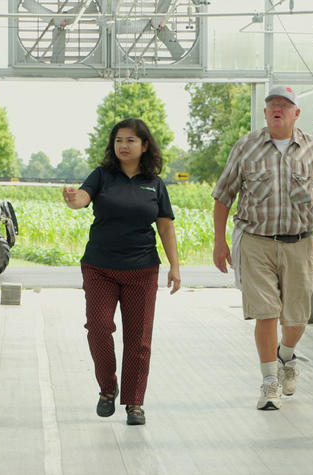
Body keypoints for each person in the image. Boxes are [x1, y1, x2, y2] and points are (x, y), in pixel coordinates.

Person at [212, 85, 313, 410]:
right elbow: (223, 194)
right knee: (266, 313)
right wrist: (219, 241)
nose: (278, 109)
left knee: (296, 317)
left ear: (296, 113)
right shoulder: (246, 147)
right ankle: (269, 383)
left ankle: (286, 355)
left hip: (299, 243)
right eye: (272, 105)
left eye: (285, 105)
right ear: (265, 113)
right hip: (256, 242)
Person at [62, 117, 181, 426]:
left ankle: (134, 403)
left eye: (130, 140)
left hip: (142, 270)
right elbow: (82, 198)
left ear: (144, 146)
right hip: (99, 267)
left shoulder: (154, 184)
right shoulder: (102, 176)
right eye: (118, 140)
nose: (123, 145)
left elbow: (166, 227)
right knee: (99, 328)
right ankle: (107, 388)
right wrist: (73, 199)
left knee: (138, 340)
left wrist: (175, 267)